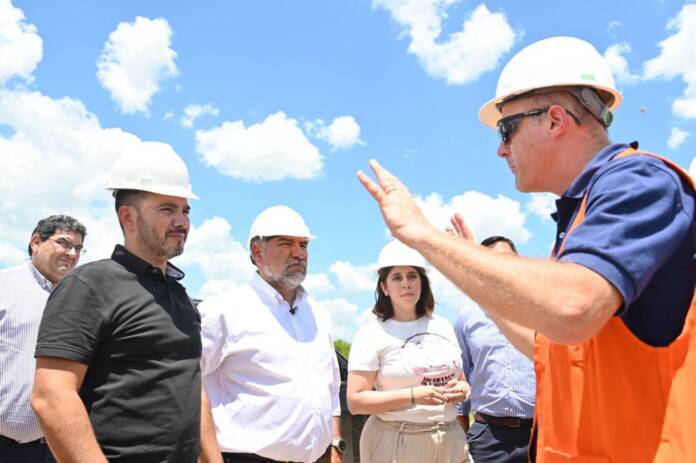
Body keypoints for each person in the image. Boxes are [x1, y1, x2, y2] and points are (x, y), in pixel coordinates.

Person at [357, 35, 696, 462]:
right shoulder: (583, 212)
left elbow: (571, 308)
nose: (501, 149)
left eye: (507, 129)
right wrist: (477, 278)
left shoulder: (639, 182)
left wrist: (422, 233)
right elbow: (546, 342)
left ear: (554, 120)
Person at [31, 143, 221, 463]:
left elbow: (192, 385)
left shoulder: (181, 298)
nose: (182, 221)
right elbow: (51, 396)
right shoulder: (89, 286)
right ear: (128, 217)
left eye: (185, 210)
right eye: (167, 209)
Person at [198, 205, 343, 463]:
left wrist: (335, 443)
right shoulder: (223, 311)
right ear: (257, 252)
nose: (299, 253)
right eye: (286, 243)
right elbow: (188, 386)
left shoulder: (318, 315)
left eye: (303, 245)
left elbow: (331, 388)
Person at [347, 240, 470, 463]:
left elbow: (461, 380)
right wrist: (412, 396)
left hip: (451, 439)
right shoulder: (371, 334)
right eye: (397, 277)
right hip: (396, 440)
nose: (406, 284)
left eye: (412, 276)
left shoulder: (443, 326)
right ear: (384, 287)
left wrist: (463, 389)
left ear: (422, 282)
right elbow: (356, 402)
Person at [0, 215, 86, 462]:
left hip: (54, 448)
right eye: (64, 243)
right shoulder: (4, 286)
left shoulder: (81, 301)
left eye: (78, 248)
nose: (72, 253)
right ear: (36, 242)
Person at [454, 236, 535, 463]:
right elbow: (461, 377)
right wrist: (461, 441)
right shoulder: (466, 317)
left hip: (538, 434)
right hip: (488, 438)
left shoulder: (539, 311)